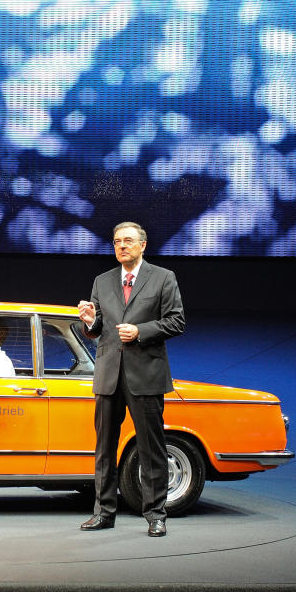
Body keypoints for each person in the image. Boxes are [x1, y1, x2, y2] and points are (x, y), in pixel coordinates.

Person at [77, 221, 185, 537]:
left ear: (142, 245)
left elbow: (177, 321)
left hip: (146, 374)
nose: (121, 246)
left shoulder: (163, 278)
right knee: (104, 449)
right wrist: (90, 322)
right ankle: (104, 512)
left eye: (127, 241)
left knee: (152, 448)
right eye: (116, 242)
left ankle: (155, 515)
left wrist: (142, 331)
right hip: (109, 374)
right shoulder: (102, 281)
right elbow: (98, 330)